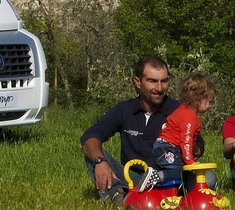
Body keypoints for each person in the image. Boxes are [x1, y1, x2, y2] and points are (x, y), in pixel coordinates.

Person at [81, 56, 181, 202]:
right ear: (138, 82)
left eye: (164, 81)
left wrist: (193, 147)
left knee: (208, 178)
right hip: (133, 179)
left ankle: (147, 199)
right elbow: (90, 136)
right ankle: (118, 197)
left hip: (168, 180)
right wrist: (100, 162)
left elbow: (197, 146)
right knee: (94, 155)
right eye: (152, 81)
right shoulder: (125, 109)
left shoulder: (178, 110)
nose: (159, 88)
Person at [143, 74, 216, 190]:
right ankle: (156, 176)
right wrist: (190, 161)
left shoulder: (182, 110)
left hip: (164, 146)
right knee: (179, 172)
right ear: (197, 99)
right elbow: (186, 140)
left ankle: (178, 190)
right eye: (208, 102)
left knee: (183, 172)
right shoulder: (189, 116)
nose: (210, 106)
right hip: (168, 147)